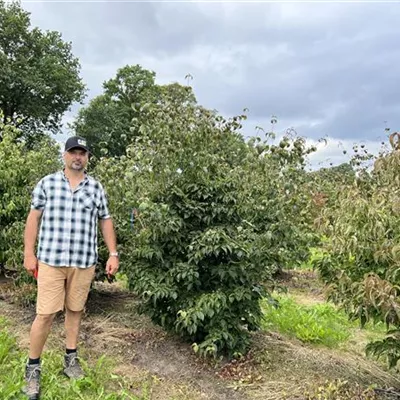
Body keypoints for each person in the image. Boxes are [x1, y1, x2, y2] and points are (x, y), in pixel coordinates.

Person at [23, 136, 119, 400]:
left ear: (87, 158)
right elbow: (33, 219)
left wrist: (113, 253)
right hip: (51, 261)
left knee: (75, 310)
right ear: (64, 155)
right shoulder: (47, 183)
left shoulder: (96, 188)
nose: (78, 157)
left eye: (83, 153)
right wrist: (28, 253)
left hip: (83, 261)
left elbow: (106, 220)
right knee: (45, 314)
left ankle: (71, 359)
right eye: (73, 152)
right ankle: (32, 369)